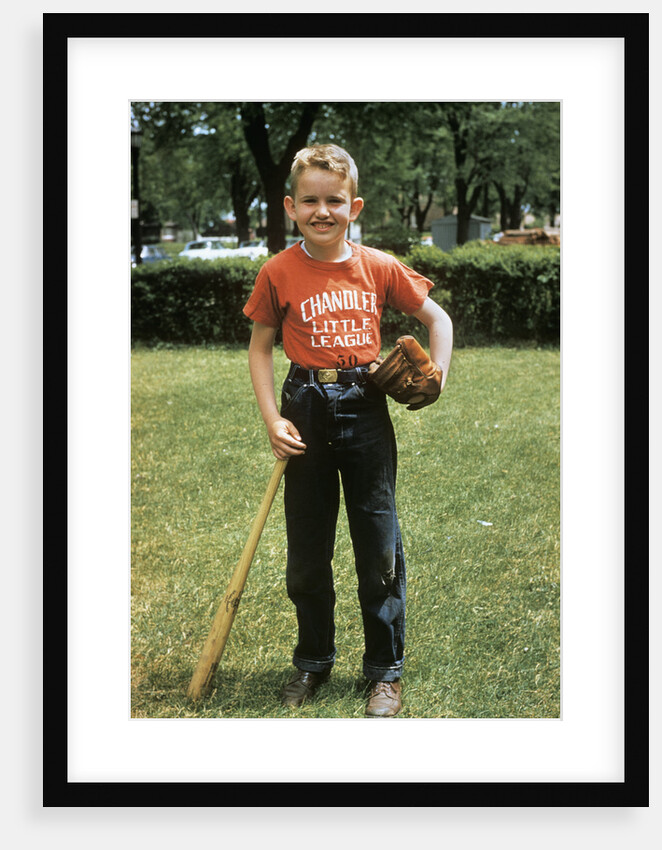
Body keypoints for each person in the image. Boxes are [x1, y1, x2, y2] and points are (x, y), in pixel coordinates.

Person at [243, 144, 453, 717]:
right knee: (308, 549)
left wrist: (439, 377)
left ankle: (384, 672)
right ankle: (312, 661)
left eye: (334, 200)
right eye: (309, 200)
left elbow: (438, 319)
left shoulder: (378, 266)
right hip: (303, 404)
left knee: (377, 542)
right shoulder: (277, 271)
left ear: (353, 206)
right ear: (291, 206)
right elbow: (261, 349)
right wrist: (273, 419)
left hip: (365, 404)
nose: (322, 211)